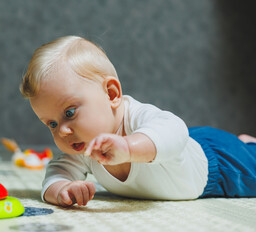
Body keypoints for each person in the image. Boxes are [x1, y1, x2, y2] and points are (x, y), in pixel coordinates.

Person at [20, 35, 256, 207]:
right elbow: (58, 171)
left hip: (218, 162)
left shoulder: (137, 117)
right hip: (189, 148)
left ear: (111, 94)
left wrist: (129, 147)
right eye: (51, 123)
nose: (62, 131)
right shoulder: (83, 147)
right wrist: (61, 188)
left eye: (69, 113)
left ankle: (246, 145)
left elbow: (175, 131)